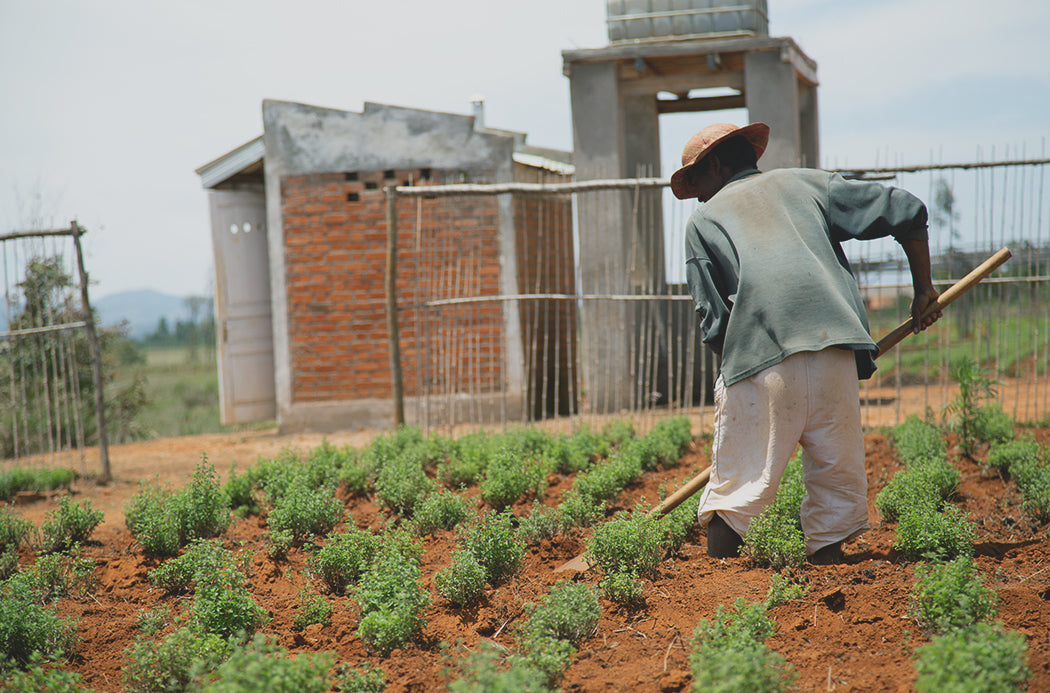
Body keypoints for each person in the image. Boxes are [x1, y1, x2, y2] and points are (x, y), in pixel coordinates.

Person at [674, 122, 942, 564]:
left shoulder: (703, 221)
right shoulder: (809, 184)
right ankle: (829, 567)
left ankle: (718, 582)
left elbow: (714, 321)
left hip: (761, 358)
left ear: (716, 166)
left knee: (737, 494)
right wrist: (923, 290)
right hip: (836, 353)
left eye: (697, 183)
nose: (699, 197)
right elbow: (907, 210)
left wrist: (739, 388)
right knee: (834, 491)